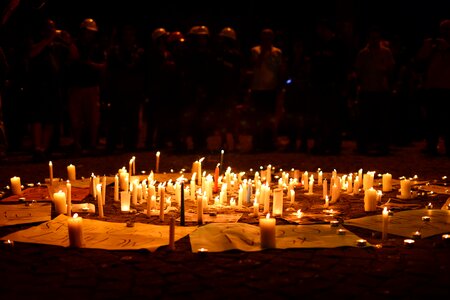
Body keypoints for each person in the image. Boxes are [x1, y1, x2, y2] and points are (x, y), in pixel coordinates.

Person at [23, 18, 70, 161]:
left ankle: (44, 147)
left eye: (53, 28)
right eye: (50, 28)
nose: (53, 31)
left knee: (51, 118)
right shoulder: (37, 42)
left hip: (53, 86)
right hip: (38, 86)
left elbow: (74, 55)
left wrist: (69, 40)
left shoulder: (56, 46)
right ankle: (37, 148)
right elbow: (31, 54)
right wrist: (48, 40)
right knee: (37, 117)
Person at [66, 18, 106, 155]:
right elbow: (71, 60)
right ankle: (77, 143)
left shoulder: (97, 47)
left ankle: (92, 144)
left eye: (92, 32)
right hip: (76, 86)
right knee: (75, 117)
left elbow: (104, 65)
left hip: (92, 86)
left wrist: (91, 65)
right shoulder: (74, 45)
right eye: (88, 32)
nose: (90, 35)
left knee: (93, 118)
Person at [354, 26, 395, 155]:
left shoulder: (386, 52)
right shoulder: (363, 54)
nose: (374, 40)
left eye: (376, 38)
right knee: (365, 119)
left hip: (381, 89)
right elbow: (358, 71)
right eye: (372, 38)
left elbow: (391, 69)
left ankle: (382, 145)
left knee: (382, 119)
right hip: (367, 89)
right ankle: (364, 145)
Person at [105, 24, 146, 152]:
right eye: (126, 34)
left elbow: (142, 71)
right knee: (116, 118)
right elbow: (111, 70)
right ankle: (112, 144)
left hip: (133, 90)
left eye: (131, 35)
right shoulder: (115, 51)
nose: (129, 37)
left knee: (132, 119)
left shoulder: (138, 52)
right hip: (118, 90)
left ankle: (130, 144)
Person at [416, 19, 450, 156]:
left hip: (448, 87)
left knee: (447, 119)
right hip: (433, 85)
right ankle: (431, 145)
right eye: (443, 29)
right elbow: (420, 59)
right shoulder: (431, 44)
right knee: (432, 118)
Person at [248, 28, 285, 152]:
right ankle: (257, 141)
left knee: (269, 117)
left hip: (271, 88)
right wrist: (263, 53)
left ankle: (269, 142)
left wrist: (280, 85)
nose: (267, 40)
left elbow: (279, 70)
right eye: (265, 37)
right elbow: (255, 65)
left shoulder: (277, 52)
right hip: (257, 87)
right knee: (257, 116)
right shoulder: (255, 50)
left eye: (269, 37)